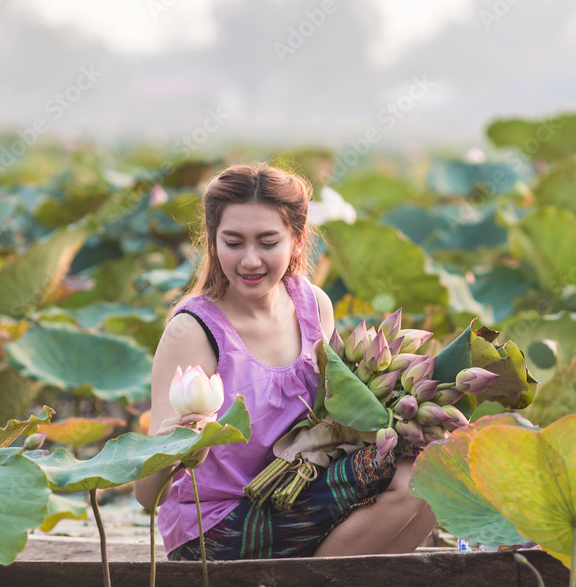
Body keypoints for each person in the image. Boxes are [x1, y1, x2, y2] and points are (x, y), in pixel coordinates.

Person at [134, 163, 436, 560]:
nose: (250, 260)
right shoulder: (192, 332)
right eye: (234, 242)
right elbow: (145, 496)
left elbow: (332, 423)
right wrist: (184, 442)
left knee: (434, 470)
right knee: (410, 477)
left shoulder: (313, 306)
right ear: (213, 242)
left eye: (268, 242)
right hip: (212, 530)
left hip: (291, 490)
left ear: (297, 240)